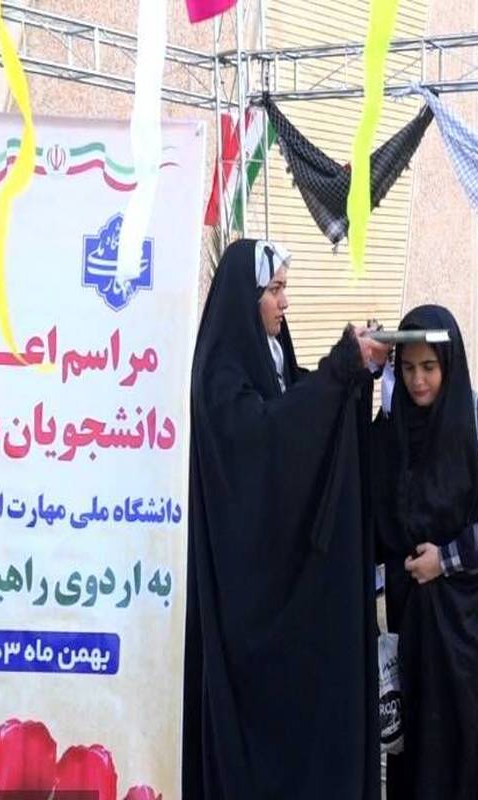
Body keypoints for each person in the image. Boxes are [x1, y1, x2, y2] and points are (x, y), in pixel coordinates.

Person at [182, 238, 390, 799]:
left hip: (278, 580)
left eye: (284, 289)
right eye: (274, 290)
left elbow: (300, 405)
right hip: (244, 590)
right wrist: (339, 371)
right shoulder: (220, 375)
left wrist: (352, 375)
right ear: (245, 298)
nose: (285, 302)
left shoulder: (270, 357)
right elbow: (267, 439)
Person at [370, 304, 478, 800]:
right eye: (407, 368)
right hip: (414, 616)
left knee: (464, 741)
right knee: (415, 746)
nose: (418, 381)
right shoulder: (394, 429)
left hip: (472, 621)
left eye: (429, 367)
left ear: (450, 365)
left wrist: (444, 559)